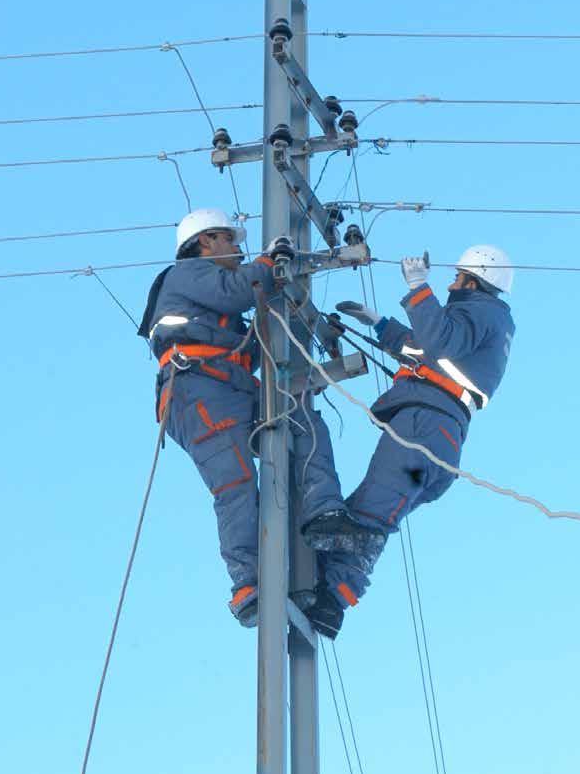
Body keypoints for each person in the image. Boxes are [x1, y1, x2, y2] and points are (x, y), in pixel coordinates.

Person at [137, 208, 381, 628]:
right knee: (235, 485)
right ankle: (247, 584)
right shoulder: (186, 274)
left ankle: (323, 510)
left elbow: (250, 345)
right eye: (229, 240)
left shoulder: (216, 302)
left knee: (299, 411)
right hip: (197, 393)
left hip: (230, 388)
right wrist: (268, 265)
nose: (236, 247)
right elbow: (239, 288)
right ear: (206, 241)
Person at [304, 245, 516, 638]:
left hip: (426, 427)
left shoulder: (480, 313)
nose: (451, 282)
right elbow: (423, 349)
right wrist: (379, 324)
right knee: (366, 512)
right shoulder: (481, 323)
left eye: (457, 276)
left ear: (475, 278)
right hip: (439, 435)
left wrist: (418, 287)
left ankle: (333, 598)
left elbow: (439, 343)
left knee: (370, 514)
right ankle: (321, 581)